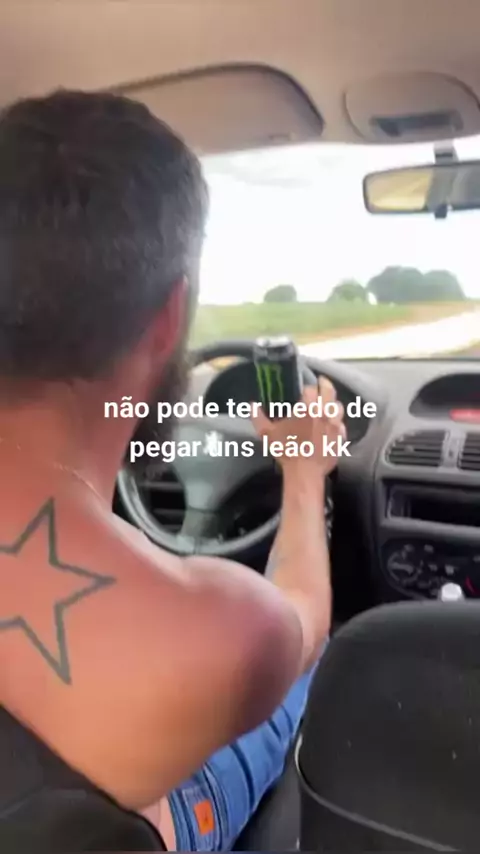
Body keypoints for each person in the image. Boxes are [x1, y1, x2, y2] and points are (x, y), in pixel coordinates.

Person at [0, 90, 345, 850]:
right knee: (300, 683)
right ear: (167, 318)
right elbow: (305, 620)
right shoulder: (228, 630)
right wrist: (302, 474)